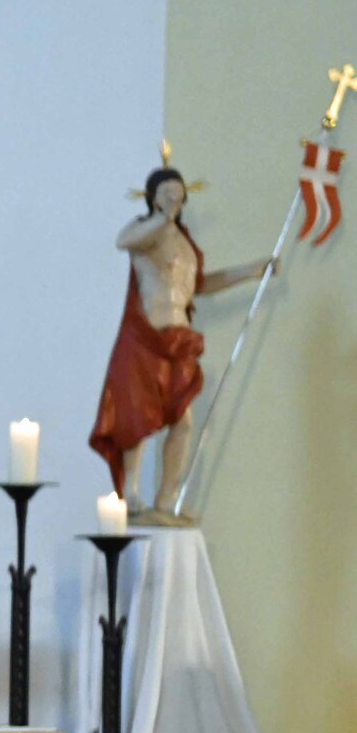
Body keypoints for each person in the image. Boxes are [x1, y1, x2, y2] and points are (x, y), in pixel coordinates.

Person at [89, 162, 270, 522]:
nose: (175, 196)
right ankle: (131, 496)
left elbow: (198, 286)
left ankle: (166, 499)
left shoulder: (186, 245)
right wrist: (163, 219)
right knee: (138, 418)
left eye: (178, 191)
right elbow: (121, 241)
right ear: (153, 198)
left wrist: (250, 271)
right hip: (145, 338)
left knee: (182, 422)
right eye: (166, 192)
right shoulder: (146, 233)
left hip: (177, 340)